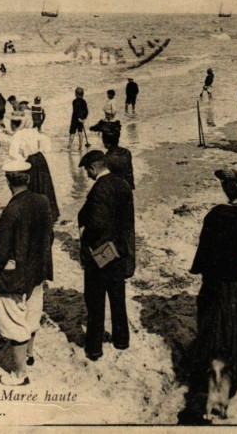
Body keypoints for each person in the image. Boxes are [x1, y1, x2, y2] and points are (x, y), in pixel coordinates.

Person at [188, 168, 237, 407]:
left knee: (215, 325)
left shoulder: (215, 215)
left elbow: (204, 250)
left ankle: (212, 372)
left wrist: (201, 270)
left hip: (216, 280)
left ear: (224, 189)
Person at [0, 160, 55, 386]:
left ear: (9, 181)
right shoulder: (43, 201)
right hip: (37, 270)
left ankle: (20, 374)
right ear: (28, 178)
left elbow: (1, 250)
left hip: (17, 275)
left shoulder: (11, 210)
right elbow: (50, 236)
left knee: (13, 319)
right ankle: (29, 354)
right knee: (33, 313)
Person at [77, 150, 135, 361]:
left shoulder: (99, 189)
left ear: (94, 167)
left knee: (95, 300)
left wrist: (88, 240)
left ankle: (94, 348)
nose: (87, 175)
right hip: (119, 250)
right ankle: (121, 340)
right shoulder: (122, 184)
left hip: (100, 254)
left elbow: (97, 224)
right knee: (118, 298)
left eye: (87, 171)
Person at [9, 124, 60, 222]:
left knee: (31, 187)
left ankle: (34, 217)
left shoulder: (17, 135)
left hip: (29, 161)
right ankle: (50, 214)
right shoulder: (34, 131)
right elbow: (47, 148)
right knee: (44, 186)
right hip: (40, 159)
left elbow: (13, 154)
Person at [102, 124, 135, 190]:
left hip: (115, 191)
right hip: (126, 188)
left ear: (106, 142)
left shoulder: (106, 158)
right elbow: (129, 174)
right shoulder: (126, 152)